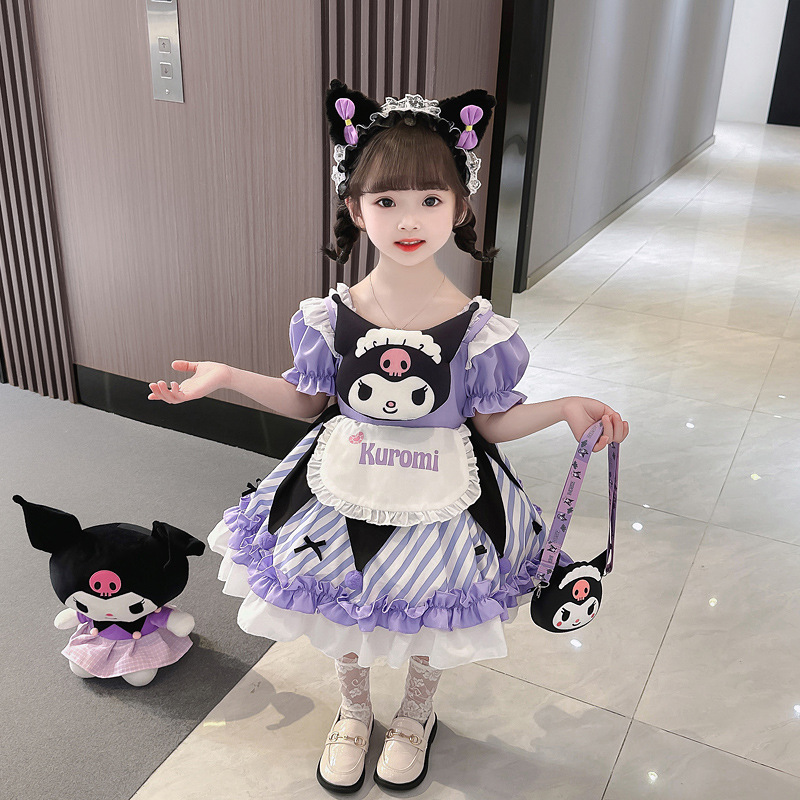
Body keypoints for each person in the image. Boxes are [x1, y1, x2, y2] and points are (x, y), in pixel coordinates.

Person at [148, 79, 628, 794]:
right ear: (355, 207)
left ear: (460, 206)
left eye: (431, 200)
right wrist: (227, 377)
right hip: (344, 476)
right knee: (341, 594)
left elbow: (490, 422)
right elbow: (308, 403)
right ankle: (353, 709)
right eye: (387, 201)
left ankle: (415, 713)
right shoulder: (327, 315)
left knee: (436, 602)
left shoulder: (480, 328)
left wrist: (563, 409)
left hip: (446, 489)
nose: (410, 220)